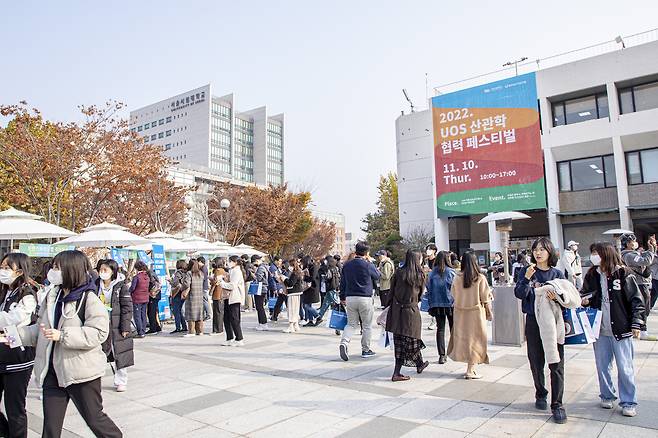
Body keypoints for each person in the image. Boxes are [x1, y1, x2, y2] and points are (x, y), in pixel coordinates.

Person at [16, 250, 122, 438]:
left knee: (94, 419)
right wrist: (15, 335)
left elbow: (99, 332)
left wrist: (63, 335)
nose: (52, 271)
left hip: (81, 373)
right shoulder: (52, 296)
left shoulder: (89, 299)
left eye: (57, 267)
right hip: (53, 371)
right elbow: (40, 330)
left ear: (71, 270)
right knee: (50, 426)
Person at [581, 242, 645, 417]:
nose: (593, 256)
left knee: (625, 367)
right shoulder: (592, 274)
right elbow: (584, 293)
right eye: (592, 252)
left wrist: (636, 324)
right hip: (599, 330)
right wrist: (585, 299)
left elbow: (636, 300)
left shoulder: (624, 274)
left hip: (622, 329)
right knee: (602, 366)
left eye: (596, 253)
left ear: (606, 254)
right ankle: (607, 395)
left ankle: (629, 402)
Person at [514, 237, 568, 424]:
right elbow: (519, 294)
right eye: (535, 249)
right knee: (536, 361)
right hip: (533, 321)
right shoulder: (527, 271)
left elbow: (567, 299)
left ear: (549, 252)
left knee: (556, 363)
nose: (538, 253)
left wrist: (556, 299)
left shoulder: (557, 274)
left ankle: (557, 404)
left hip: (554, 322)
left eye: (542, 250)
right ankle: (540, 392)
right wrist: (527, 278)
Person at [0, 253, 37, 438]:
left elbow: (14, 319)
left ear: (19, 271)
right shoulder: (4, 291)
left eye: (7, 268)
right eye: (2, 266)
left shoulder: (27, 294)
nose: (3, 271)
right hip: (1, 356)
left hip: (18, 360)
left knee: (15, 409)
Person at [386, 250, 429, 381]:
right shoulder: (420, 275)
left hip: (397, 311)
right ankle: (398, 372)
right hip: (411, 311)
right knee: (413, 340)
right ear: (417, 259)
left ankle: (416, 365)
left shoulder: (398, 273)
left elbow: (391, 292)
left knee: (400, 342)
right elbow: (421, 295)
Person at [447, 252, 492, 379]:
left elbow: (453, 295)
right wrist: (489, 312)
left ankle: (469, 367)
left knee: (464, 339)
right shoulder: (480, 278)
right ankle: (470, 370)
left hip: (460, 312)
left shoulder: (457, 278)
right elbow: (485, 298)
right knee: (476, 340)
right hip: (476, 313)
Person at [95, 259, 133, 392]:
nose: (102, 272)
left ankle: (121, 380)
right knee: (97, 353)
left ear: (113, 271)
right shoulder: (95, 285)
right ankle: (95, 380)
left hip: (116, 324)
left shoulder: (121, 286)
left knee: (119, 353)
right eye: (101, 269)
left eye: (105, 270)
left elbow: (127, 308)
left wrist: (125, 327)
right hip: (98, 324)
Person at [339, 241, 381, 361]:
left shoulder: (347, 265)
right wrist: (371, 262)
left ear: (355, 251)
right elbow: (378, 276)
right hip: (365, 298)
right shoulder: (368, 265)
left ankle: (344, 342)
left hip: (350, 297)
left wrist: (342, 297)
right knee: (367, 325)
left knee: (351, 324)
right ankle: (366, 349)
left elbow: (343, 282)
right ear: (367, 252)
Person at [620, 233, 656, 341]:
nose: (635, 243)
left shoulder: (632, 254)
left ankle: (640, 328)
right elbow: (646, 261)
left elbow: (644, 256)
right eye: (632, 241)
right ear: (627, 243)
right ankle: (643, 330)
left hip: (640, 283)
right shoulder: (628, 255)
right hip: (639, 284)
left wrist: (651, 247)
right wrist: (650, 250)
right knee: (643, 307)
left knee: (644, 306)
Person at [426, 251, 456, 364]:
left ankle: (442, 355)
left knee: (440, 329)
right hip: (450, 303)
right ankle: (455, 349)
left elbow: (428, 288)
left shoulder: (431, 273)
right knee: (454, 327)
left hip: (436, 303)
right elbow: (455, 288)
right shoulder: (451, 272)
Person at [219, 256, 246, 346]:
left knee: (234, 319)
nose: (229, 263)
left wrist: (222, 283)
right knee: (226, 318)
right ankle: (229, 337)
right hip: (228, 297)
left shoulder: (237, 271)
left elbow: (232, 285)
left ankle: (239, 338)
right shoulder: (232, 270)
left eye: (230, 261)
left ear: (235, 262)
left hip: (234, 297)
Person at [317, 256, 341, 323]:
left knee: (336, 304)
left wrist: (324, 277)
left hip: (330, 287)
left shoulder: (329, 269)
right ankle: (319, 317)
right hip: (334, 287)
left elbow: (328, 277)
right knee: (326, 303)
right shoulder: (336, 268)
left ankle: (338, 320)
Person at [129, 261, 150, 338]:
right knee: (143, 315)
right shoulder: (147, 276)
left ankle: (140, 332)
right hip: (145, 298)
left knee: (137, 316)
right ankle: (143, 331)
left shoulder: (136, 277)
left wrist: (128, 291)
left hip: (137, 298)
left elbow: (132, 288)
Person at [184, 259, 205, 337]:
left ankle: (191, 332)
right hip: (199, 296)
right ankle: (200, 331)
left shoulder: (189, 273)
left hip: (191, 295)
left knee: (191, 314)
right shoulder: (201, 273)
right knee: (199, 314)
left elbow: (186, 284)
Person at [168, 260, 190, 334]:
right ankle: (184, 326)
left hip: (177, 293)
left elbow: (175, 283)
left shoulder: (178, 273)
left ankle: (178, 327)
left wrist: (170, 281)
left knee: (176, 311)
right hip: (183, 293)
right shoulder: (186, 272)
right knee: (180, 310)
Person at [283, 259, 304, 333]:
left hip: (293, 293)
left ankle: (291, 326)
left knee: (291, 309)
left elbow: (290, 283)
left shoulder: (294, 273)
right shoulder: (299, 272)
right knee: (295, 309)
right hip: (298, 292)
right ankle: (296, 325)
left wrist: (284, 279)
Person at [251, 255, 270, 331]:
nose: (253, 264)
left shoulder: (261, 268)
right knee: (260, 307)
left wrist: (253, 274)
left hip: (260, 289)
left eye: (254, 262)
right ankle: (261, 323)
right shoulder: (264, 266)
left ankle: (263, 323)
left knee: (259, 307)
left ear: (257, 260)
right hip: (263, 289)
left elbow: (258, 278)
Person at [210, 260, 228, 335]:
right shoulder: (223, 270)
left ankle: (218, 330)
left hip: (218, 293)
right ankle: (217, 329)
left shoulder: (218, 271)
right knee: (218, 312)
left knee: (217, 312)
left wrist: (211, 280)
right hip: (221, 293)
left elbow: (216, 281)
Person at [302, 258, 321, 327]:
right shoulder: (308, 267)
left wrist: (304, 277)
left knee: (306, 305)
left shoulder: (314, 267)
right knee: (308, 304)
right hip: (308, 288)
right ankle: (310, 320)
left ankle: (318, 316)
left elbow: (312, 278)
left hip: (313, 288)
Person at [145, 266, 162, 335]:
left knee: (151, 312)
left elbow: (152, 283)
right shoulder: (153, 273)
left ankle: (153, 329)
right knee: (154, 312)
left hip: (153, 296)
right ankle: (157, 327)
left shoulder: (149, 274)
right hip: (157, 296)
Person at [197, 257, 211, 321]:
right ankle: (206, 314)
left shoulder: (203, 268)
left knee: (205, 301)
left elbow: (204, 278)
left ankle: (208, 314)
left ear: (200, 261)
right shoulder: (204, 268)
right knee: (204, 301)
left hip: (203, 287)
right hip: (204, 286)